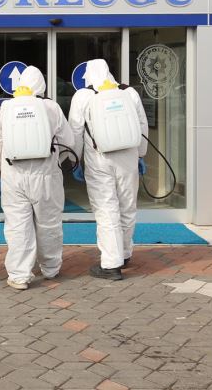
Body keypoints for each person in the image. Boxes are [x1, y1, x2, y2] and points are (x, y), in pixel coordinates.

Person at [0, 66, 74, 290]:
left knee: (18, 226)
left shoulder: (7, 107)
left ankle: (19, 275)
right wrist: (57, 160)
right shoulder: (51, 107)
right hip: (46, 176)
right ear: (41, 86)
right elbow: (69, 142)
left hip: (13, 176)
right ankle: (51, 268)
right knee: (49, 224)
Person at [68, 59, 148, 281]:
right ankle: (124, 253)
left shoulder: (83, 96)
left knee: (106, 209)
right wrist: (141, 154)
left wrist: (75, 161)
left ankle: (111, 264)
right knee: (127, 206)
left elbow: (75, 132)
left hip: (99, 160)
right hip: (128, 157)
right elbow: (142, 126)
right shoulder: (129, 93)